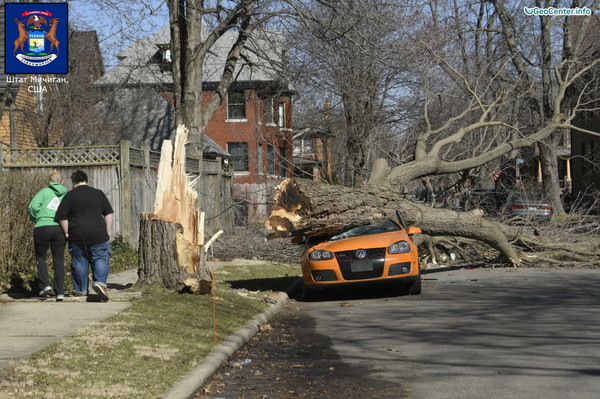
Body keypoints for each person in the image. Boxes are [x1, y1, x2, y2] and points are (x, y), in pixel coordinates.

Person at [56, 170, 114, 301]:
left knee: (79, 261)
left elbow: (62, 217)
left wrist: (66, 232)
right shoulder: (98, 193)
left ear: (73, 182)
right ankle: (99, 283)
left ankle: (81, 290)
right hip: (98, 234)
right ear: (86, 180)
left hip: (77, 235)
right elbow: (109, 213)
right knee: (100, 258)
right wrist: (108, 230)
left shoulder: (69, 196)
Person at [28, 171, 67, 301]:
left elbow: (33, 207)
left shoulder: (44, 192)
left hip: (42, 227)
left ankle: (45, 286)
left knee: (41, 257)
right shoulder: (66, 195)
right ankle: (60, 292)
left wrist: (36, 218)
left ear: (49, 182)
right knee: (59, 259)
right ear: (62, 182)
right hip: (59, 229)